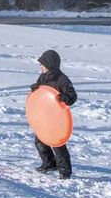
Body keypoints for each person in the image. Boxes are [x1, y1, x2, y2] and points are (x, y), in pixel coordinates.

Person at [30, 49, 77, 179]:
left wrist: (65, 98)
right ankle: (49, 163)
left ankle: (65, 171)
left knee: (58, 144)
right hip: (45, 116)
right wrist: (35, 88)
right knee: (40, 141)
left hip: (57, 118)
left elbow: (73, 96)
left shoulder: (62, 79)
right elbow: (41, 91)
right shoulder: (43, 77)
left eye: (42, 64)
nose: (41, 66)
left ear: (49, 65)